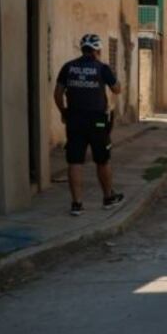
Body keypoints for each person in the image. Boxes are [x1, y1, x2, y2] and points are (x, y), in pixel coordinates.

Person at [54, 33, 123, 216]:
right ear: (98, 49)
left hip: (74, 119)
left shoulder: (68, 67)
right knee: (102, 159)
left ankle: (77, 204)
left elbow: (58, 94)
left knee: (75, 161)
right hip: (97, 121)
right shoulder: (101, 68)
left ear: (82, 48)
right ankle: (108, 198)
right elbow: (117, 88)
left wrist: (64, 112)